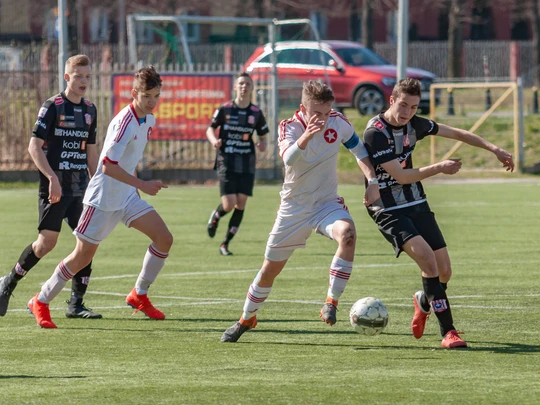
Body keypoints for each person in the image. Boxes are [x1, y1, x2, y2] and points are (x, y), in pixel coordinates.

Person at [221, 80, 380, 343]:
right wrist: (307, 135)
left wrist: (372, 182)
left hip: (326, 203)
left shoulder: (338, 122)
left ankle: (331, 302)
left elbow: (359, 150)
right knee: (269, 271)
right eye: (316, 113)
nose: (323, 118)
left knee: (348, 234)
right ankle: (246, 318)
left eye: (327, 112)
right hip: (294, 208)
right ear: (302, 109)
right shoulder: (290, 127)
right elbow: (287, 158)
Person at [362, 78, 514, 349]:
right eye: (403, 105)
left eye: (413, 107)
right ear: (391, 100)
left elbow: (457, 133)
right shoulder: (375, 132)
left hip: (415, 202)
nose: (407, 112)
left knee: (444, 271)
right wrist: (440, 167)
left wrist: (494, 149)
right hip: (387, 208)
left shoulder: (415, 124)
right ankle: (449, 332)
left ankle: (424, 300)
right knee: (428, 261)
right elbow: (401, 175)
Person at [26, 65, 173, 329]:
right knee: (81, 257)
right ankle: (41, 299)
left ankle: (139, 294)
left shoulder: (148, 120)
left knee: (164, 238)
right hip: (103, 199)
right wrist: (141, 182)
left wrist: (135, 186)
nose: (152, 102)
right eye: (147, 96)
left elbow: (129, 160)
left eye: (156, 96)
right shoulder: (124, 122)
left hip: (126, 196)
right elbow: (107, 166)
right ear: (133, 94)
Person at [0, 54, 102, 319]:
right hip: (55, 188)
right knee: (46, 244)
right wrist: (52, 178)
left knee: (88, 242)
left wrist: (98, 184)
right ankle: (8, 282)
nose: (84, 81)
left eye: (87, 76)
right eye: (78, 76)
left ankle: (75, 304)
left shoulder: (90, 110)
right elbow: (34, 147)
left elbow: (91, 152)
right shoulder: (53, 106)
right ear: (67, 77)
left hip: (81, 188)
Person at [206, 72, 269, 256]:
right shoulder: (225, 109)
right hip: (227, 160)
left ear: (251, 88)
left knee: (241, 204)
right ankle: (216, 215)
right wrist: (213, 141)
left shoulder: (256, 113)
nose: (244, 86)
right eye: (241, 83)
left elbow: (263, 137)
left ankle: (225, 244)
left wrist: (262, 144)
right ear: (235, 87)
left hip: (247, 161)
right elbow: (210, 129)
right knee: (229, 203)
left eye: (247, 84)